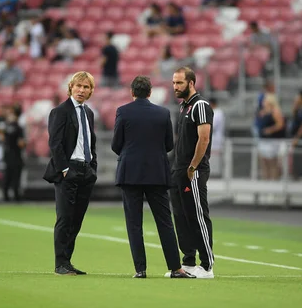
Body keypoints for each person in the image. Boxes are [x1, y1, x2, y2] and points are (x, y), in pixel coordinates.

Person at [111, 76, 195, 279]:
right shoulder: (163, 113)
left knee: (134, 223)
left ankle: (140, 270)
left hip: (130, 173)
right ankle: (176, 268)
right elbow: (169, 145)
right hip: (157, 173)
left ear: (132, 92)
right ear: (150, 93)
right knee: (165, 221)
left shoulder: (123, 111)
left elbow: (115, 145)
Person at [43, 71, 98, 276]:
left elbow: (91, 143)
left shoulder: (89, 113)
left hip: (86, 170)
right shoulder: (60, 111)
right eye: (79, 86)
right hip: (69, 170)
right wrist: (64, 169)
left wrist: (93, 166)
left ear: (91, 90)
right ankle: (60, 264)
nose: (82, 90)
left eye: (86, 87)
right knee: (65, 218)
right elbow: (55, 143)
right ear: (71, 87)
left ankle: (68, 261)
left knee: (77, 219)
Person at [170, 67, 215, 279]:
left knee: (198, 216)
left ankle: (207, 266)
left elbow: (203, 139)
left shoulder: (200, 105)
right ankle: (188, 261)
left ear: (191, 83)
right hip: (179, 170)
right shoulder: (183, 107)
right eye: (173, 83)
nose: (175, 87)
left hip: (192, 171)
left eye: (179, 83)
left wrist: (192, 167)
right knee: (181, 216)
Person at [0, 106, 25, 202]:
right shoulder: (18, 127)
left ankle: (6, 196)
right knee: (15, 177)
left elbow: (2, 138)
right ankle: (16, 196)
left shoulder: (6, 127)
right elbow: (21, 143)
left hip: (8, 154)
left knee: (8, 175)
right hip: (16, 155)